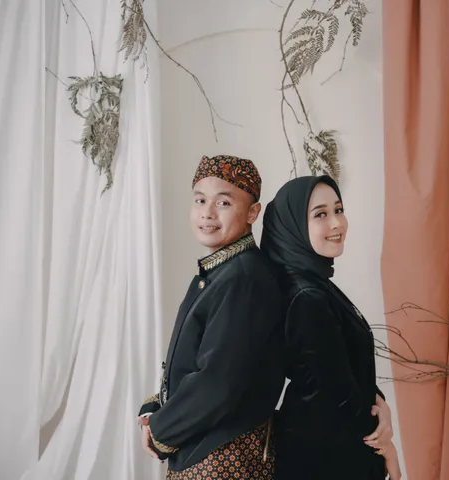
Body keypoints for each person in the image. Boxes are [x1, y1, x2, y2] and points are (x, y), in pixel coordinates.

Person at [137, 155, 285, 479]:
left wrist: (162, 429)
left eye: (224, 203)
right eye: (200, 200)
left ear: (252, 213)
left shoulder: (243, 277)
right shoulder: (222, 271)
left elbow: (218, 380)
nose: (207, 213)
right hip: (206, 450)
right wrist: (158, 406)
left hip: (222, 457)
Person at [260, 175, 402, 480]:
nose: (337, 223)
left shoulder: (314, 284)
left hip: (329, 451)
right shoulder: (306, 297)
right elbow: (337, 396)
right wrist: (386, 448)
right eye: (320, 214)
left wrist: (380, 403)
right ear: (293, 226)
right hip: (322, 458)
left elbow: (339, 366)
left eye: (338, 210)